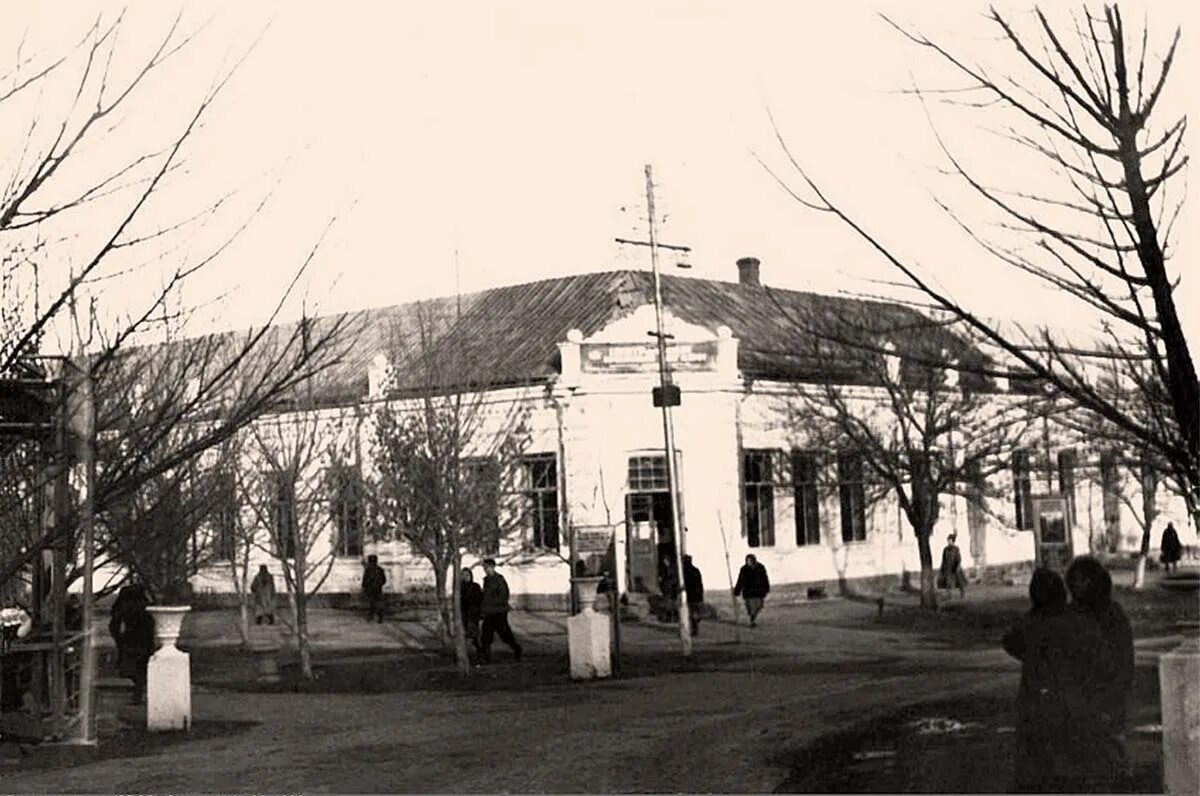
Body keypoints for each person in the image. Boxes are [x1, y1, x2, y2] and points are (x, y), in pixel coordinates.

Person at [1055, 555, 1136, 792]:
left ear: (1094, 581)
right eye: (1074, 581)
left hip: (1107, 695)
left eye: (1083, 580)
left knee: (1111, 757)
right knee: (1082, 762)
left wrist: (1114, 695)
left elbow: (1124, 659)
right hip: (1077, 699)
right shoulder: (1070, 615)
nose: (1077, 586)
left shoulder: (1112, 614)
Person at [1001, 567, 1070, 793]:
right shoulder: (1068, 617)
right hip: (1064, 694)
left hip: (1033, 694)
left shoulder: (1032, 619)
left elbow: (1009, 641)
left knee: (1033, 753)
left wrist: (1030, 657)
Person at [108, 584, 156, 705]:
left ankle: (138, 693)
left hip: (130, 639)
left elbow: (114, 623)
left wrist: (118, 638)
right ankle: (139, 693)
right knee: (141, 668)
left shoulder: (124, 605)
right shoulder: (144, 604)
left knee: (133, 668)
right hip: (143, 639)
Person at [479, 558, 523, 663]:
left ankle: (517, 649)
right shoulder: (486, 580)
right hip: (489, 612)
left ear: (493, 567)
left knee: (504, 634)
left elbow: (503, 595)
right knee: (486, 635)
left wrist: (491, 602)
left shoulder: (499, 579)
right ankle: (486, 657)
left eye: (488, 567)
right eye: (485, 568)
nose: (486, 570)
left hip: (499, 611)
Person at [733, 554, 770, 628]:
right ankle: (752, 620)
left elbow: (765, 578)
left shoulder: (760, 567)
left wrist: (767, 588)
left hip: (759, 591)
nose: (748, 562)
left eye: (750, 561)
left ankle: (753, 617)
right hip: (748, 592)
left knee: (759, 606)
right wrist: (737, 591)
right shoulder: (743, 569)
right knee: (750, 607)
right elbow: (740, 580)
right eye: (747, 561)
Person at [460, 567, 483, 653]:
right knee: (471, 634)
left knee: (471, 633)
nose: (465, 577)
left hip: (473, 614)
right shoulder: (460, 587)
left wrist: (480, 613)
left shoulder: (475, 586)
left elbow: (479, 599)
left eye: (467, 575)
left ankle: (465, 652)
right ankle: (479, 649)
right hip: (464, 614)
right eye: (463, 575)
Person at [938, 533, 967, 599]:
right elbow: (943, 559)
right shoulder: (945, 549)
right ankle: (949, 595)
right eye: (948, 540)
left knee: (960, 582)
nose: (949, 542)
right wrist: (942, 568)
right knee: (948, 582)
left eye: (950, 540)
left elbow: (959, 558)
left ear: (953, 541)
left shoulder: (956, 549)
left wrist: (957, 566)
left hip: (955, 567)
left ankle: (962, 594)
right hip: (948, 568)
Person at [682, 554, 704, 637]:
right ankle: (695, 623)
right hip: (697, 594)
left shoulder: (684, 571)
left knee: (691, 612)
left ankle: (694, 627)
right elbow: (700, 583)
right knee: (694, 611)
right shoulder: (696, 570)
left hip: (690, 595)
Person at [361, 554, 387, 623]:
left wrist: (364, 587)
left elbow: (365, 580)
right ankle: (380, 617)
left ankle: (371, 617)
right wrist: (379, 584)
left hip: (371, 589)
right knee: (378, 603)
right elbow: (384, 580)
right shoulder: (380, 569)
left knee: (372, 603)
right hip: (378, 589)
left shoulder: (368, 570)